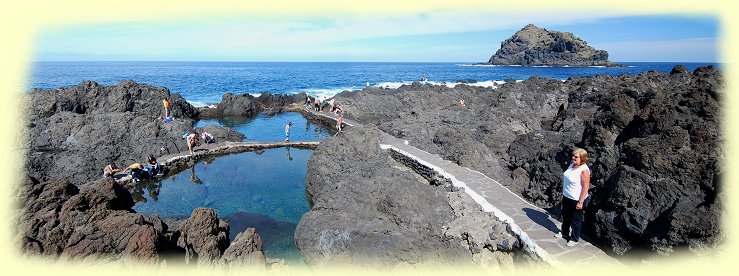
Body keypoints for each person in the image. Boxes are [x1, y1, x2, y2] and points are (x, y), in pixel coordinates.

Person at [555, 147, 591, 247]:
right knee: (565, 216)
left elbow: (585, 187)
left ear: (582, 158)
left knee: (576, 220)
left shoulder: (584, 170)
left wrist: (580, 202)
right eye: (573, 156)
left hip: (577, 199)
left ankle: (574, 239)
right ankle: (564, 232)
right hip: (567, 196)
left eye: (576, 157)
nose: (573, 158)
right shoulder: (572, 165)